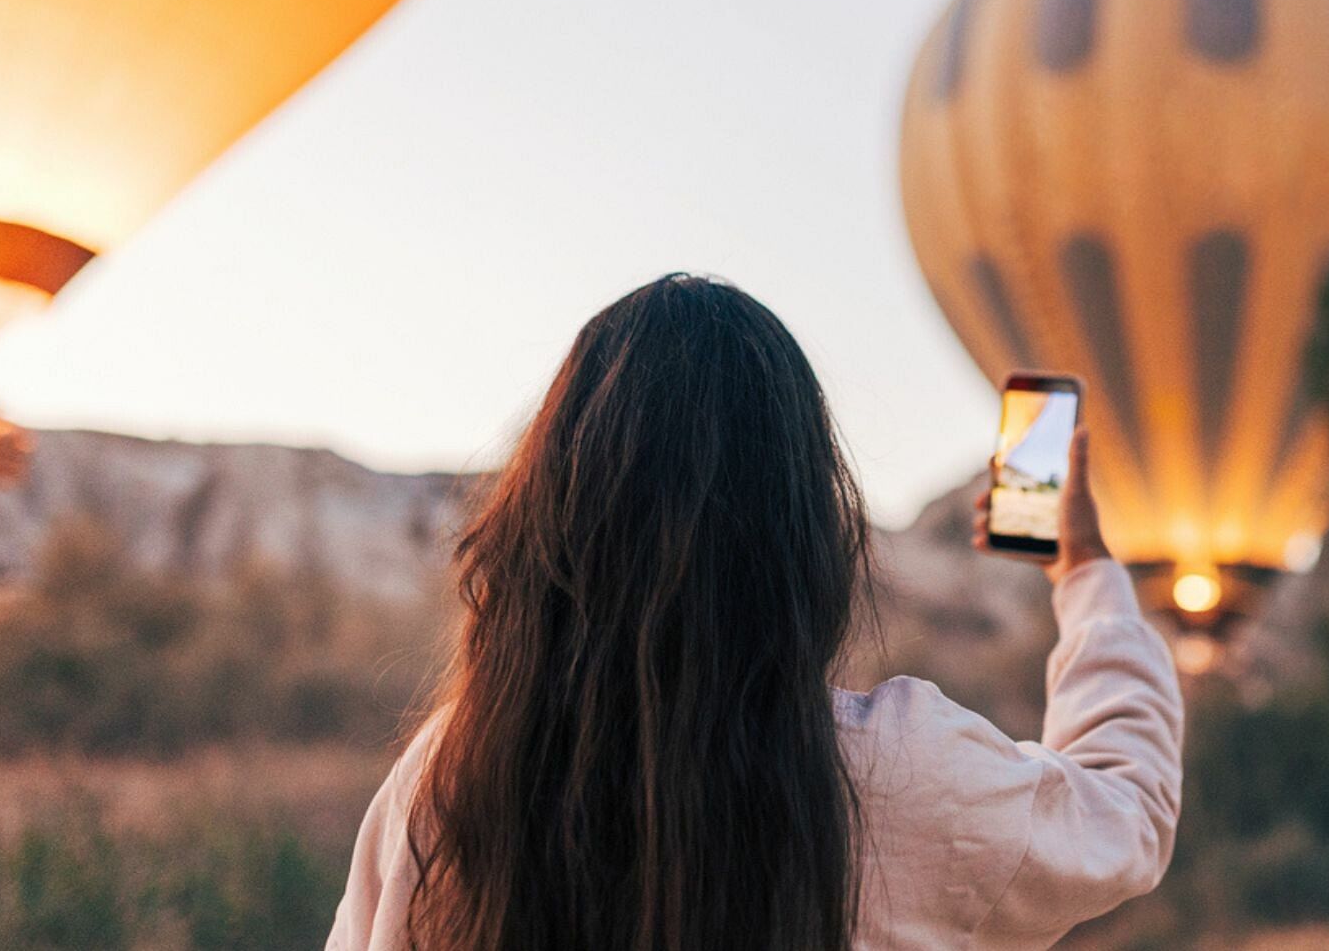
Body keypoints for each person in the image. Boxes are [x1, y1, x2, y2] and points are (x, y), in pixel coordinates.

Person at [326, 274, 1182, 950]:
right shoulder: (896, 777)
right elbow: (1126, 812)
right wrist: (1087, 570)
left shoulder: (453, 778)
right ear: (803, 525)